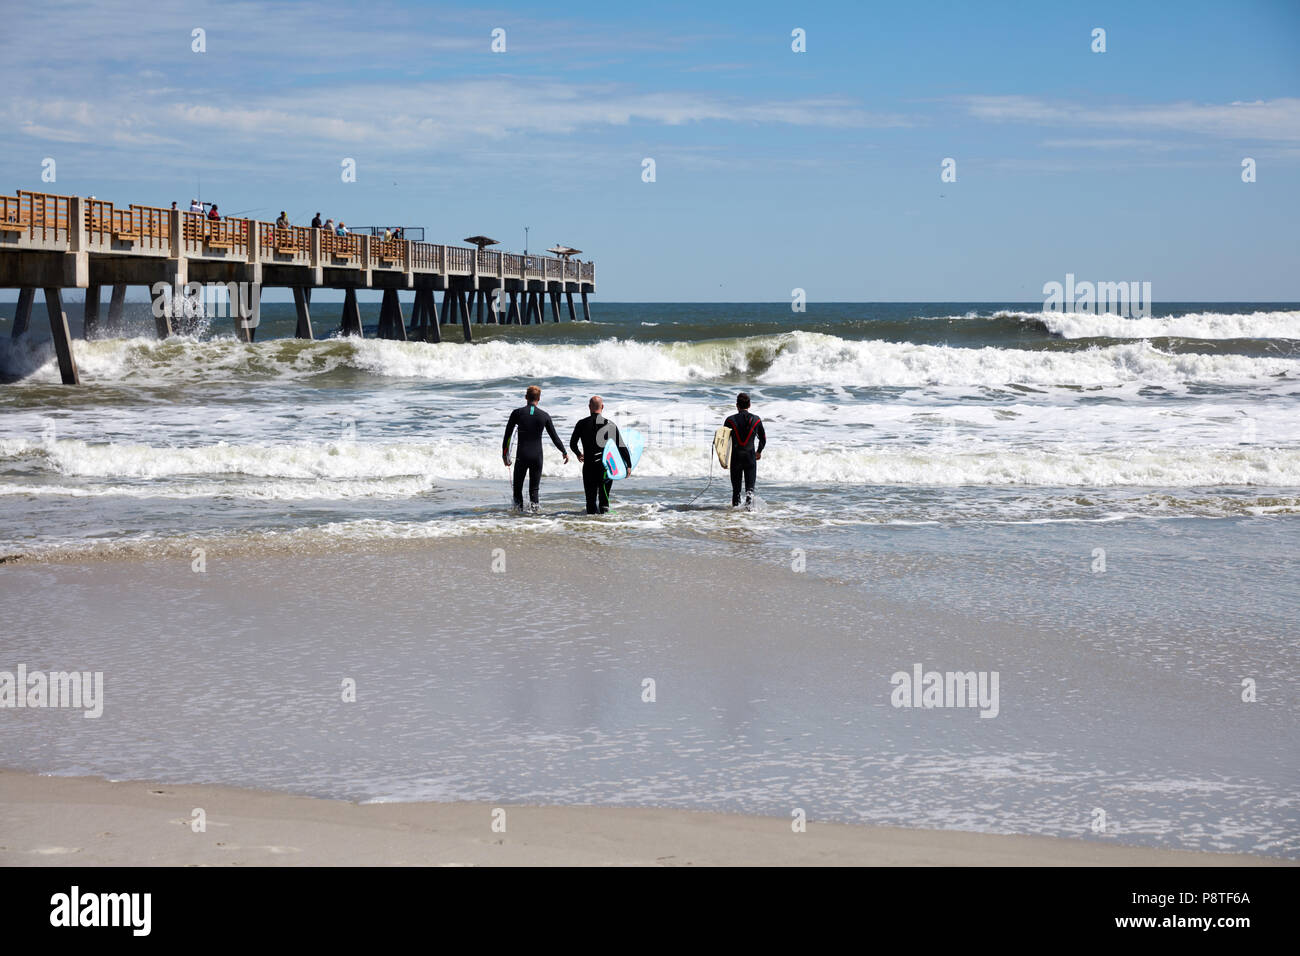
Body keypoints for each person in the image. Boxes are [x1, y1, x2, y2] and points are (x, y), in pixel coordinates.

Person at [503, 386, 568, 512]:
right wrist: (564, 452)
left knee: (518, 489)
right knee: (534, 490)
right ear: (539, 398)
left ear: (526, 397)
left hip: (522, 455)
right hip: (537, 457)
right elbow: (555, 437)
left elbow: (508, 435)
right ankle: (535, 520)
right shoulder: (544, 415)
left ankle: (518, 516)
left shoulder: (517, 413)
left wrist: (505, 454)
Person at [569, 395, 630, 514]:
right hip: (605, 468)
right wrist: (628, 464)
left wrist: (578, 454)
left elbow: (572, 444)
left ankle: (591, 527)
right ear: (602, 407)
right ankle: (604, 528)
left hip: (589, 467)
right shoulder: (610, 425)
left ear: (589, 407)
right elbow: (621, 446)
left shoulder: (581, 423)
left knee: (590, 502)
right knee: (604, 501)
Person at [722, 392, 766, 508]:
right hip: (750, 458)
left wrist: (724, 459)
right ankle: (748, 517)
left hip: (736, 458)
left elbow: (723, 441)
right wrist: (758, 452)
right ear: (749, 405)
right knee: (749, 491)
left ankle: (735, 517)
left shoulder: (730, 420)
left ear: (737, 405)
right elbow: (763, 439)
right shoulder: (756, 419)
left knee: (736, 491)